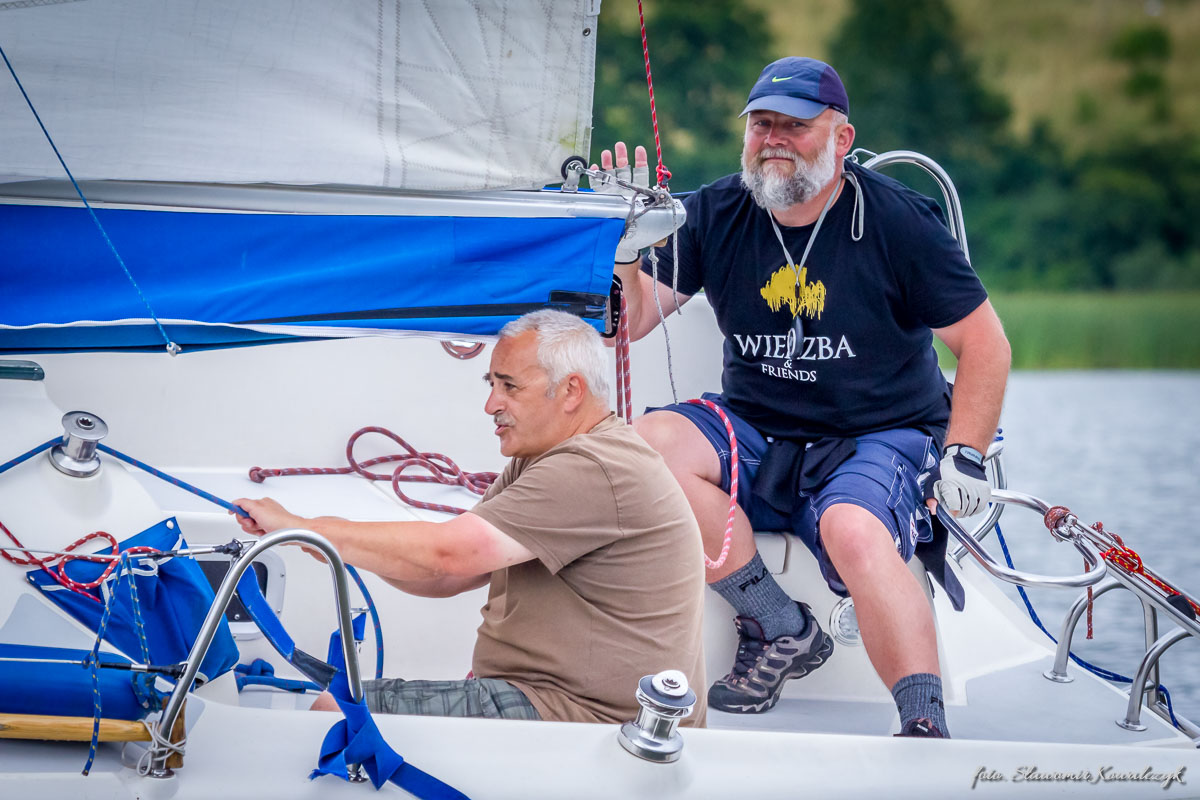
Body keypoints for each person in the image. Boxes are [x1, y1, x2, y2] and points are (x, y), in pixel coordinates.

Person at [600, 56, 1011, 738]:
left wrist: (964, 455)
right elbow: (632, 321)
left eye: (795, 125)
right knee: (642, 452)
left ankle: (925, 727)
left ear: (841, 139)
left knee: (853, 529)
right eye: (762, 124)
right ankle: (778, 624)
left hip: (880, 432)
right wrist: (623, 246)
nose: (774, 140)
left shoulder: (897, 220)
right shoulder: (715, 212)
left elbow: (985, 344)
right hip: (758, 426)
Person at [234, 309, 707, 726]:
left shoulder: (592, 468)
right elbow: (448, 577)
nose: (491, 404)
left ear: (570, 391)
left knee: (336, 712)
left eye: (509, 386)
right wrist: (323, 542)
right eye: (491, 385)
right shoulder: (545, 456)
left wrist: (306, 529)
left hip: (590, 721)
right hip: (550, 698)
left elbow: (449, 556)